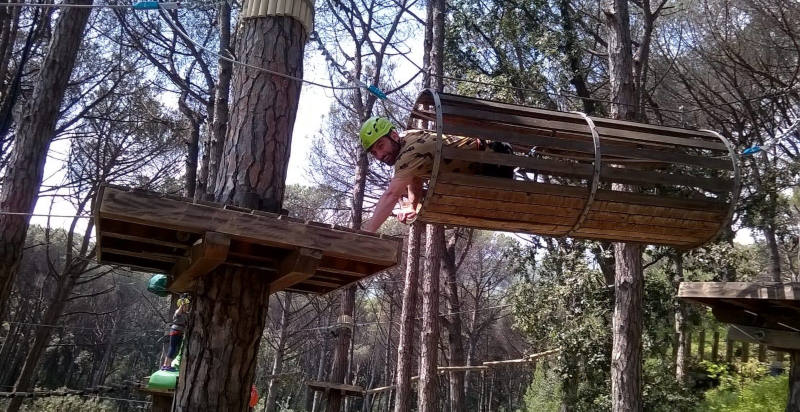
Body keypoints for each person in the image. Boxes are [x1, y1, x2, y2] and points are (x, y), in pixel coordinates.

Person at [360, 116, 513, 232]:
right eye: (374, 152)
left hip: (495, 161)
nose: (379, 155)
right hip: (490, 161)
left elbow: (391, 195)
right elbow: (415, 177)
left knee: (397, 190)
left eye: (381, 146)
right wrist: (411, 206)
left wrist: (366, 234)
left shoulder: (408, 154)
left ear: (393, 135)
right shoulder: (407, 138)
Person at [161, 294, 190, 372]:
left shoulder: (185, 314)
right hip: (175, 331)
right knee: (172, 348)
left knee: (173, 348)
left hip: (179, 332)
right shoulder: (178, 311)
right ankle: (167, 365)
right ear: (182, 306)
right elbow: (179, 311)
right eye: (186, 306)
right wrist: (183, 302)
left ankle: (165, 365)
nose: (187, 307)